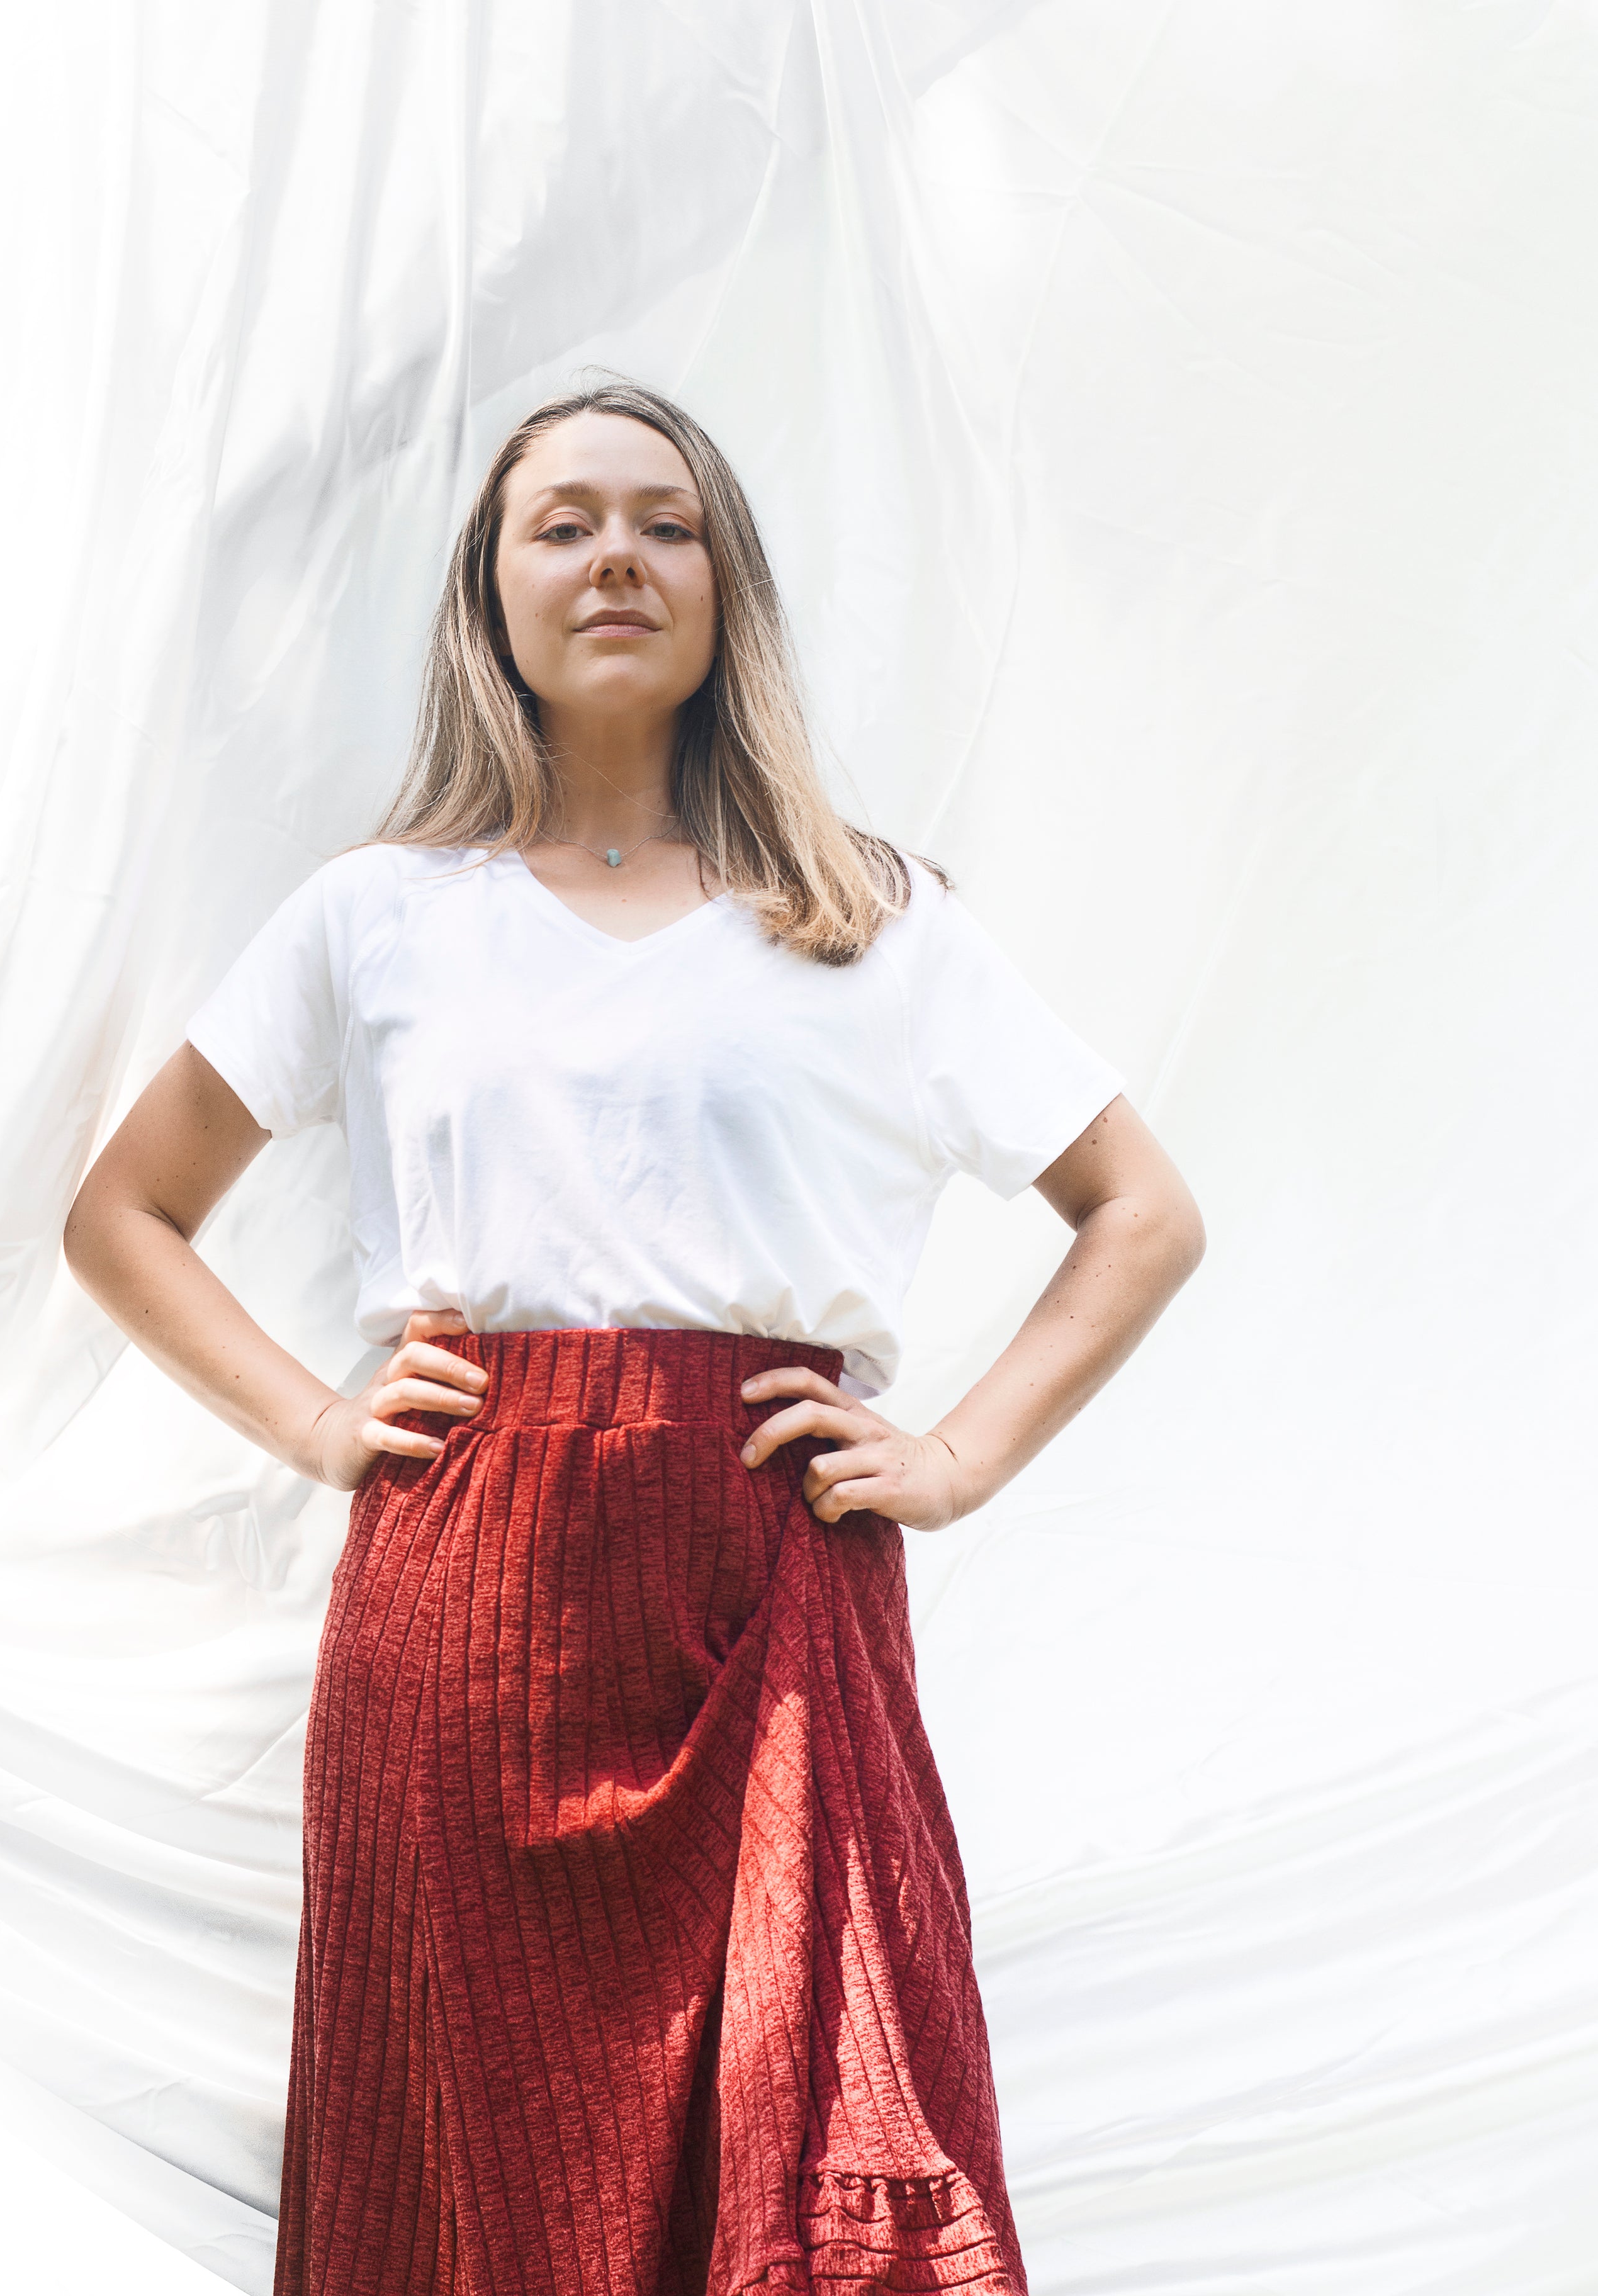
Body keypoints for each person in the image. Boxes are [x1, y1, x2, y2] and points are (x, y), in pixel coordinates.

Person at [64, 381, 1205, 2296]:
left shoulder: (863, 915)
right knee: (473, 2176)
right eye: (565, 522)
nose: (617, 557)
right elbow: (125, 1212)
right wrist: (321, 1424)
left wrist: (954, 1459)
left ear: (725, 583)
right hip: (465, 1609)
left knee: (833, 2131)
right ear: (490, 592)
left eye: (666, 523)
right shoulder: (376, 917)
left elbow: (1143, 1210)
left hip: (770, 1581)